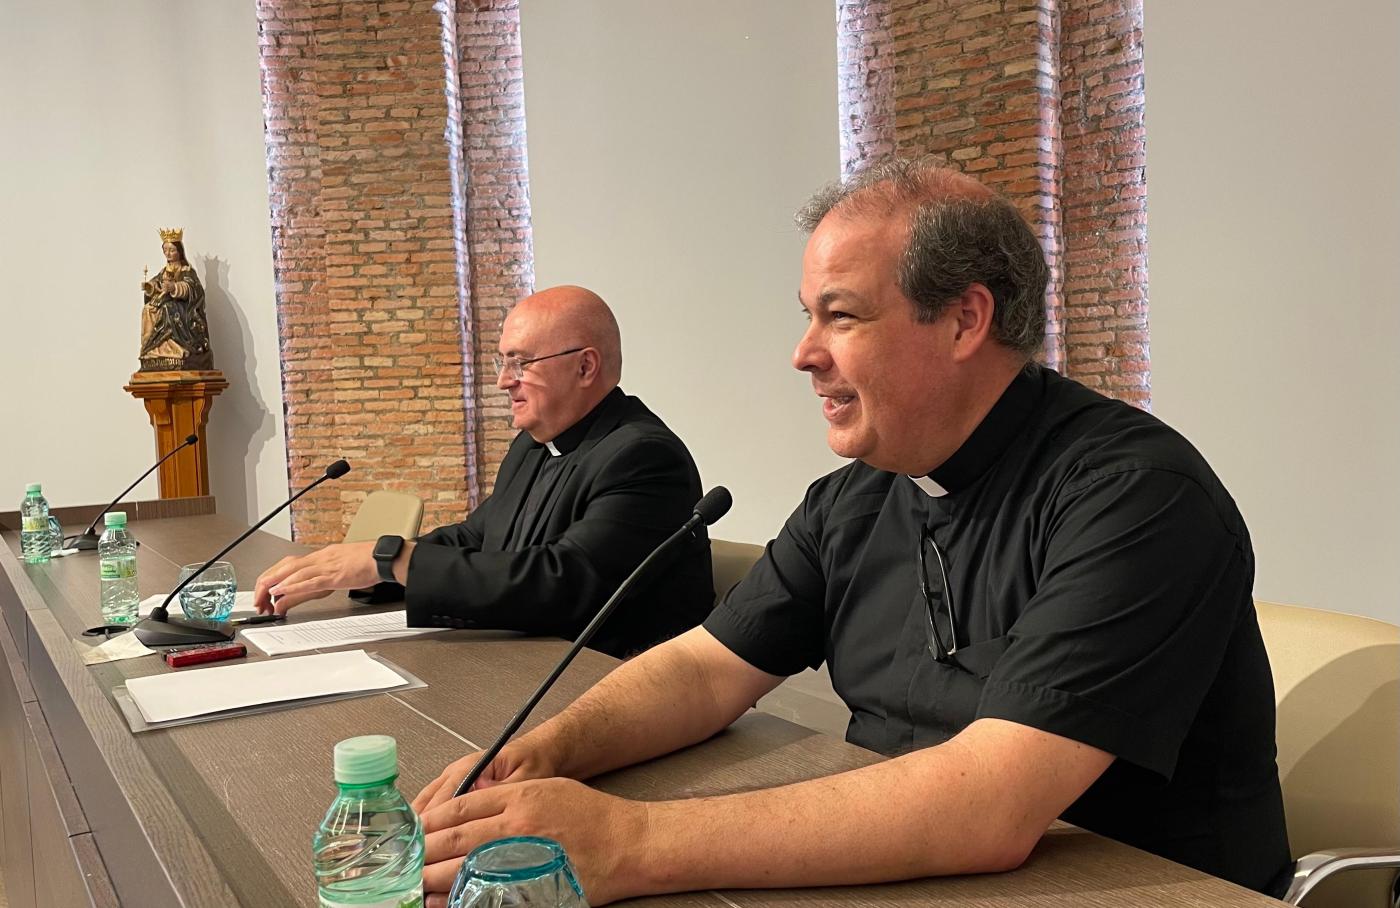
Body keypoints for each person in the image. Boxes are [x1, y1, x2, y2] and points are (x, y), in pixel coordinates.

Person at [410, 162, 1291, 906]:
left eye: (841, 316)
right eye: (808, 315)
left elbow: (990, 804)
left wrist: (625, 841)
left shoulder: (1136, 495)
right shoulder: (854, 497)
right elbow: (705, 670)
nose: (803, 353)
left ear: (965, 319)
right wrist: (543, 754)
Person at [252, 285, 715, 658]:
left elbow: (562, 582)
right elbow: (478, 537)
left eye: (521, 363)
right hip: (527, 663)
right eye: (503, 361)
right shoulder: (533, 446)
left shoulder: (645, 457)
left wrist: (393, 560)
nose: (503, 380)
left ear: (585, 366)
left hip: (611, 683)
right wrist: (373, 567)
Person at [139, 228, 212, 371]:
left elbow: (194, 289)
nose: (168, 253)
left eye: (172, 250)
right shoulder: (164, 271)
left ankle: (175, 348)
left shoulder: (186, 270)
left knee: (167, 309)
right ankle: (153, 350)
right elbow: (156, 284)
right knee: (148, 310)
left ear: (179, 251)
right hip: (163, 303)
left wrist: (175, 288)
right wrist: (150, 287)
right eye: (165, 250)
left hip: (183, 309)